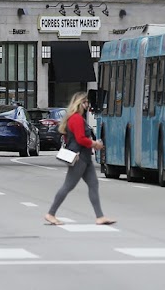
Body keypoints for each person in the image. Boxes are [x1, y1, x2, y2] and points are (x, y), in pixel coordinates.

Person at [43, 91, 116, 227]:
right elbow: (80, 139)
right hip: (79, 158)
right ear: (81, 103)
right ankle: (51, 213)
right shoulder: (76, 119)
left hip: (85, 158)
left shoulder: (76, 118)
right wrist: (95, 144)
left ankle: (100, 216)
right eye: (86, 102)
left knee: (93, 184)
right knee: (68, 186)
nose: (88, 105)